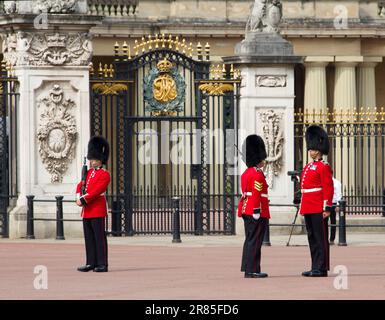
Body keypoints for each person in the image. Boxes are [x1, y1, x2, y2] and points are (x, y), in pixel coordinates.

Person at [300, 125, 334, 277]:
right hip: (308, 206)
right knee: (312, 237)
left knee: (320, 239)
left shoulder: (323, 167)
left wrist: (327, 207)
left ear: (318, 150)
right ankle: (314, 265)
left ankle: (321, 267)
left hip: (318, 207)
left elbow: (328, 188)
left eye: (312, 148)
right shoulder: (308, 166)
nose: (310, 151)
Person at [76, 136, 111, 273]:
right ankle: (91, 262)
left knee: (99, 238)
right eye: (91, 159)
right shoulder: (88, 173)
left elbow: (97, 191)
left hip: (96, 208)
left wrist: (83, 199)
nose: (91, 162)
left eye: (94, 159)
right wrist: (78, 196)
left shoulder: (105, 174)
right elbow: (80, 185)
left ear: (100, 160)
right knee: (89, 238)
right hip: (87, 210)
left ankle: (102, 264)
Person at [238, 134, 270, 278]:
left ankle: (248, 268)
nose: (264, 161)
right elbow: (257, 194)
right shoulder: (257, 174)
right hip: (255, 210)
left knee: (250, 239)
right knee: (255, 241)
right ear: (258, 159)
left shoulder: (246, 173)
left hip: (246, 208)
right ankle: (253, 270)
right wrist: (257, 210)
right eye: (262, 158)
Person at [329, 176, 342, 245]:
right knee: (323, 222)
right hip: (326, 203)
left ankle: (332, 239)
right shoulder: (324, 181)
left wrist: (337, 204)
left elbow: (338, 194)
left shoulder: (336, 182)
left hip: (333, 203)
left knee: (333, 221)